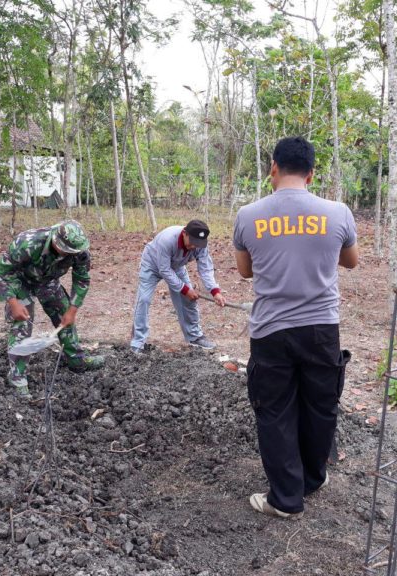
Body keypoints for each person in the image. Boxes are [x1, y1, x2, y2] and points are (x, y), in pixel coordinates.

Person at [233, 136, 358, 519]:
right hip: (321, 327)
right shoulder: (338, 212)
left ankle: (286, 498)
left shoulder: (248, 215)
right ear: (312, 173)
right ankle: (312, 478)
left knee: (275, 410)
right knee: (320, 405)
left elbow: (244, 271)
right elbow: (351, 261)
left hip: (271, 329)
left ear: (273, 167)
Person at [0, 220, 105, 399]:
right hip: (20, 281)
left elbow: (82, 279)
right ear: (55, 241)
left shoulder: (79, 250)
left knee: (64, 314)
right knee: (22, 324)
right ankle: (17, 376)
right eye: (66, 250)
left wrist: (72, 310)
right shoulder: (27, 242)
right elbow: (2, 271)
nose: (70, 254)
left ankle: (76, 360)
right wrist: (13, 303)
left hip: (48, 281)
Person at [130, 219, 226, 352]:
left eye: (197, 244)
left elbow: (205, 268)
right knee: (144, 300)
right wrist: (185, 289)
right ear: (185, 233)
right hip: (152, 265)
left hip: (177, 267)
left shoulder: (200, 245)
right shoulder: (168, 239)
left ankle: (194, 337)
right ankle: (137, 342)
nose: (194, 247)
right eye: (192, 242)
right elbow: (164, 269)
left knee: (189, 300)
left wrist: (215, 291)